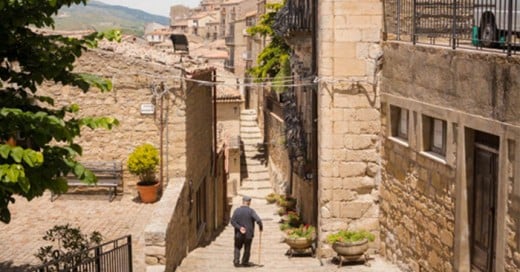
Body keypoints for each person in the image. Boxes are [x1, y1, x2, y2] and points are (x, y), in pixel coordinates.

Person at [230, 195, 263, 267]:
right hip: (248, 234)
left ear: (243, 201)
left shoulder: (237, 210)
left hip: (238, 234)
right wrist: (260, 227)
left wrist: (239, 227)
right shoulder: (251, 211)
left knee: (237, 247)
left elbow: (232, 221)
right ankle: (245, 262)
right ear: (249, 202)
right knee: (247, 248)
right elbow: (258, 220)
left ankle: (236, 261)